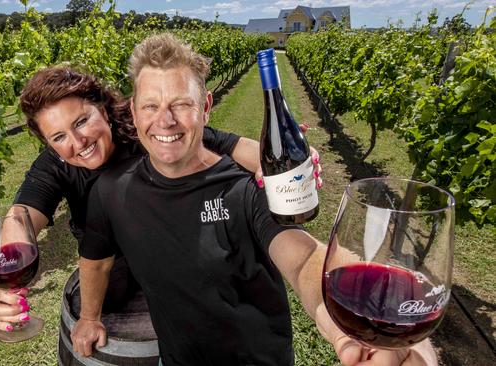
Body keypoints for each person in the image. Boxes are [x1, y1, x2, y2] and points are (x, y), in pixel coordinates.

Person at [71, 33, 437, 365]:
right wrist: (89, 317)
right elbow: (96, 259)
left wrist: (363, 324)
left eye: (181, 104)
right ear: (134, 112)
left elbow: (305, 259)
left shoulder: (245, 188)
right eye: (151, 106)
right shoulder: (111, 190)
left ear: (206, 106)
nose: (165, 121)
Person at [0, 67, 318, 337]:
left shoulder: (146, 128)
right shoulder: (54, 165)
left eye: (82, 121)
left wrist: (284, 163)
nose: (77, 142)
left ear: (104, 111)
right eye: (59, 136)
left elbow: (226, 143)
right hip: (113, 272)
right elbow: (20, 217)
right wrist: (0, 272)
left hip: (178, 258)